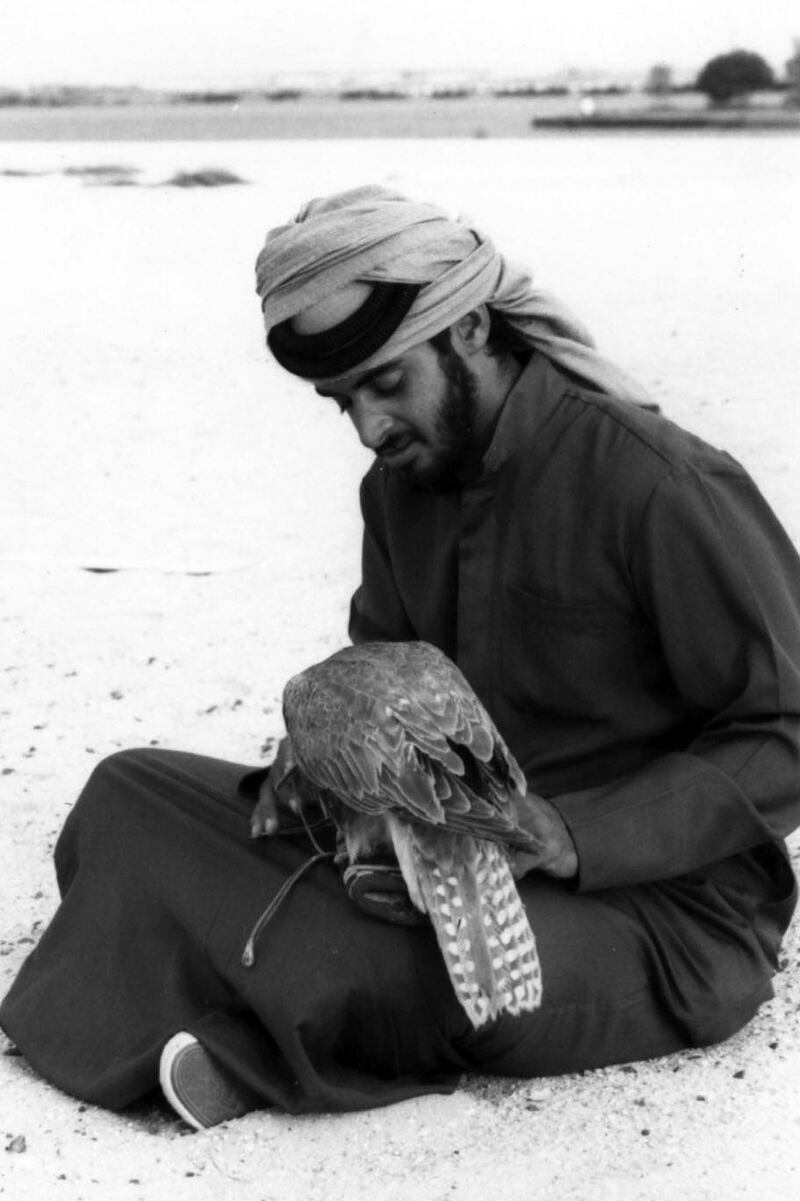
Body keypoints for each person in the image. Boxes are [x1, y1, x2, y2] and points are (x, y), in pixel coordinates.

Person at [2, 185, 799, 1131]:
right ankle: (259, 1009)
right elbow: (380, 678)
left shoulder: (658, 483)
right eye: (343, 402)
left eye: (387, 383)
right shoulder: (400, 491)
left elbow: (785, 728)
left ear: (467, 328)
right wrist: (338, 787)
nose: (372, 429)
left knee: (406, 959)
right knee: (127, 797)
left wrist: (567, 832)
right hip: (438, 855)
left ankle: (246, 1042)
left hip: (652, 913)